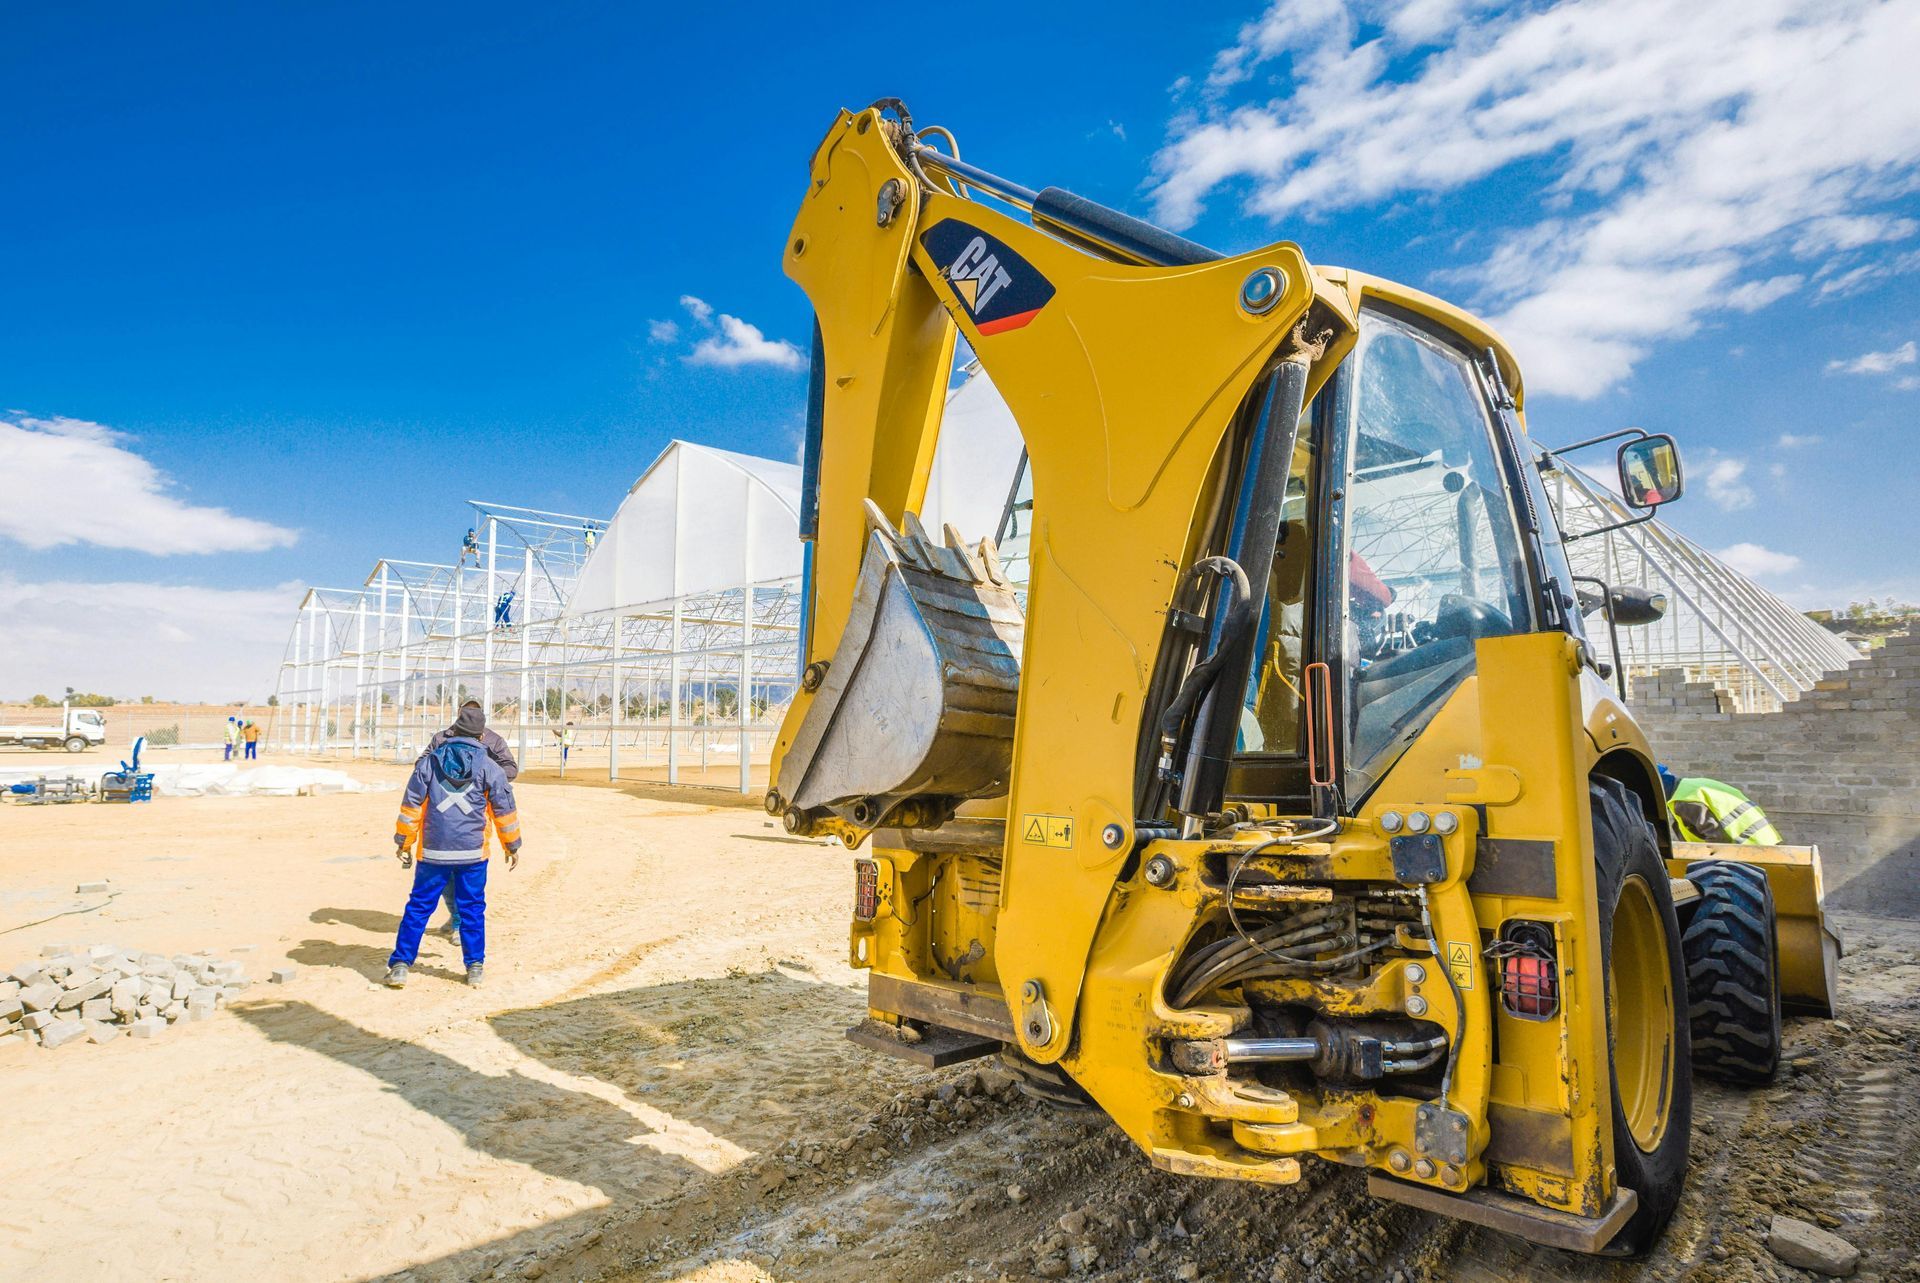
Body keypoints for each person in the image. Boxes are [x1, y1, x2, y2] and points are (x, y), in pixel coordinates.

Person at [387, 728, 522, 989]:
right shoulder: (490, 767)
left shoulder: (429, 763)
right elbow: (504, 810)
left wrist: (404, 841)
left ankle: (400, 966)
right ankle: (474, 968)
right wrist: (511, 845)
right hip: (473, 853)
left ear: (452, 733)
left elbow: (411, 806)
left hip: (433, 852)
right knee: (472, 908)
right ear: (480, 737)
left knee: (418, 907)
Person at [424, 702, 519, 937]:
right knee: (446, 877)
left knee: (467, 875)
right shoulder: (440, 739)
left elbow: (510, 768)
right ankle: (457, 918)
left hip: (476, 816)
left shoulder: (493, 741)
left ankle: (460, 922)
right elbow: (422, 766)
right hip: (442, 818)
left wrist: (484, 777)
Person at [1658, 764, 1782, 845]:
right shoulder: (1690, 787)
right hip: (1761, 843)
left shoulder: (1684, 799)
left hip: (1748, 848)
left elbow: (1717, 840)